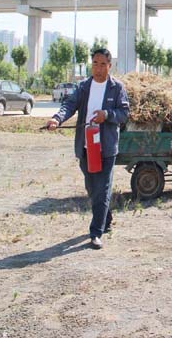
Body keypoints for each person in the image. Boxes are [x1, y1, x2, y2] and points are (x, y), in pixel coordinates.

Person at [45, 48, 130, 250]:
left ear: (110, 66)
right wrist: (57, 119)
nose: (98, 68)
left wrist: (107, 115)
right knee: (92, 189)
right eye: (95, 64)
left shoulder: (117, 88)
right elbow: (69, 105)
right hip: (86, 146)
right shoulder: (84, 86)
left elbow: (124, 113)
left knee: (103, 188)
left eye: (102, 64)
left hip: (106, 147)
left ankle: (95, 233)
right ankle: (106, 217)